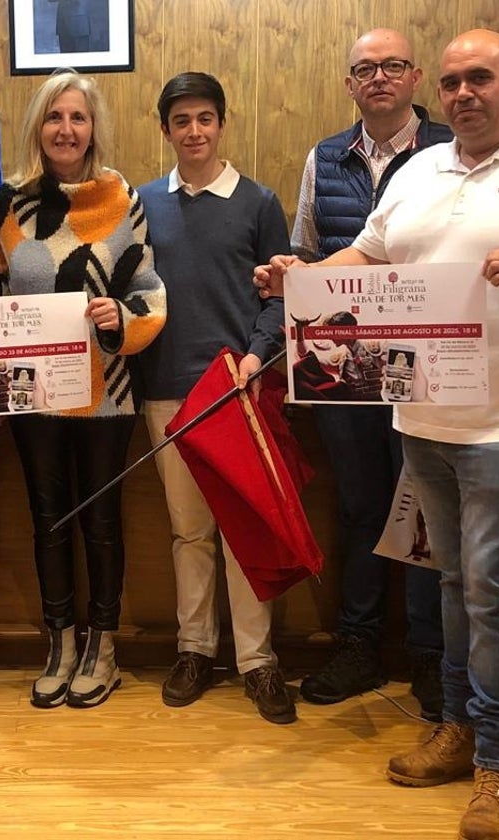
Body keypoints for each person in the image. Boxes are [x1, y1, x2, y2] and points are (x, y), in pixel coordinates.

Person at [255, 29, 499, 840]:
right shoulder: (421, 169)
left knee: (495, 592)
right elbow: (366, 252)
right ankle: (458, 729)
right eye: (456, 81)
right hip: (424, 411)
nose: (465, 93)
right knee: (456, 585)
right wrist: (304, 277)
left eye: (481, 79)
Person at [0, 70, 166, 709]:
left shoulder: (124, 200)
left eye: (78, 118)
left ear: (94, 129)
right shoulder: (9, 202)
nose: (66, 129)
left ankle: (104, 644)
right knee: (46, 517)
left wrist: (124, 316)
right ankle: (60, 639)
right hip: (34, 396)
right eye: (54, 117)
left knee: (101, 520)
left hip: (106, 392)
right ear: (39, 126)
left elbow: (148, 290)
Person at [290, 28, 452, 722]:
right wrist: (289, 279)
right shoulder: (323, 158)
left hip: (430, 367)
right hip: (345, 372)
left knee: (427, 510)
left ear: (414, 76)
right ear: (349, 84)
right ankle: (357, 643)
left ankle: (429, 654)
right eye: (364, 69)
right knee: (359, 508)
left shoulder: (453, 152)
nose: (378, 78)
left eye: (391, 67)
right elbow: (307, 251)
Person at [136, 72, 296, 724]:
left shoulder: (259, 202)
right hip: (168, 390)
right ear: (167, 129)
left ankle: (258, 661)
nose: (195, 131)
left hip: (240, 389)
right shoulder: (142, 202)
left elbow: (281, 297)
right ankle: (195, 648)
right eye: (182, 121)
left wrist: (255, 357)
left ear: (221, 124)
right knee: (189, 532)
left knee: (244, 531)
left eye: (206, 118)